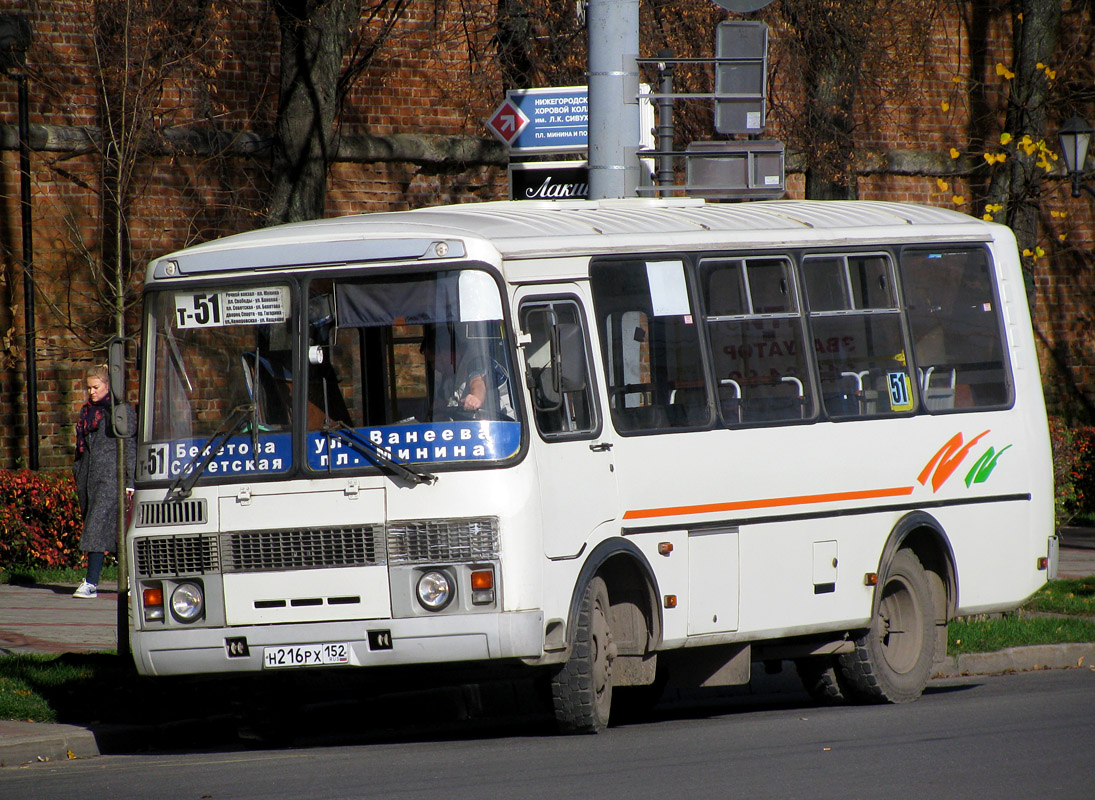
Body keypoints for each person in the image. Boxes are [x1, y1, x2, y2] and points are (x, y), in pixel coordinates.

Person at [72, 364, 135, 599]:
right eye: (88, 388)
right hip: (88, 477)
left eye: (96, 387)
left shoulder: (120, 411)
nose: (91, 392)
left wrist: (130, 481)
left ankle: (91, 582)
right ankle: (128, 578)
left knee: (96, 528)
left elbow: (129, 445)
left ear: (108, 386)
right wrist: (78, 470)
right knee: (112, 531)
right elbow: (82, 446)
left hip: (112, 478)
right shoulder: (87, 411)